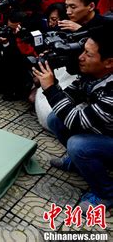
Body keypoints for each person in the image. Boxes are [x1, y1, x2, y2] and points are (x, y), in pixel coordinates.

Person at [33, 24, 113, 211]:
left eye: (88, 54)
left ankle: (106, 193)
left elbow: (76, 121)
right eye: (82, 50)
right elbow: (67, 99)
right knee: (55, 118)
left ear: (109, 62)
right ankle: (78, 163)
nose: (80, 57)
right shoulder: (93, 74)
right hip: (105, 132)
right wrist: (48, 78)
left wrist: (51, 89)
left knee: (78, 145)